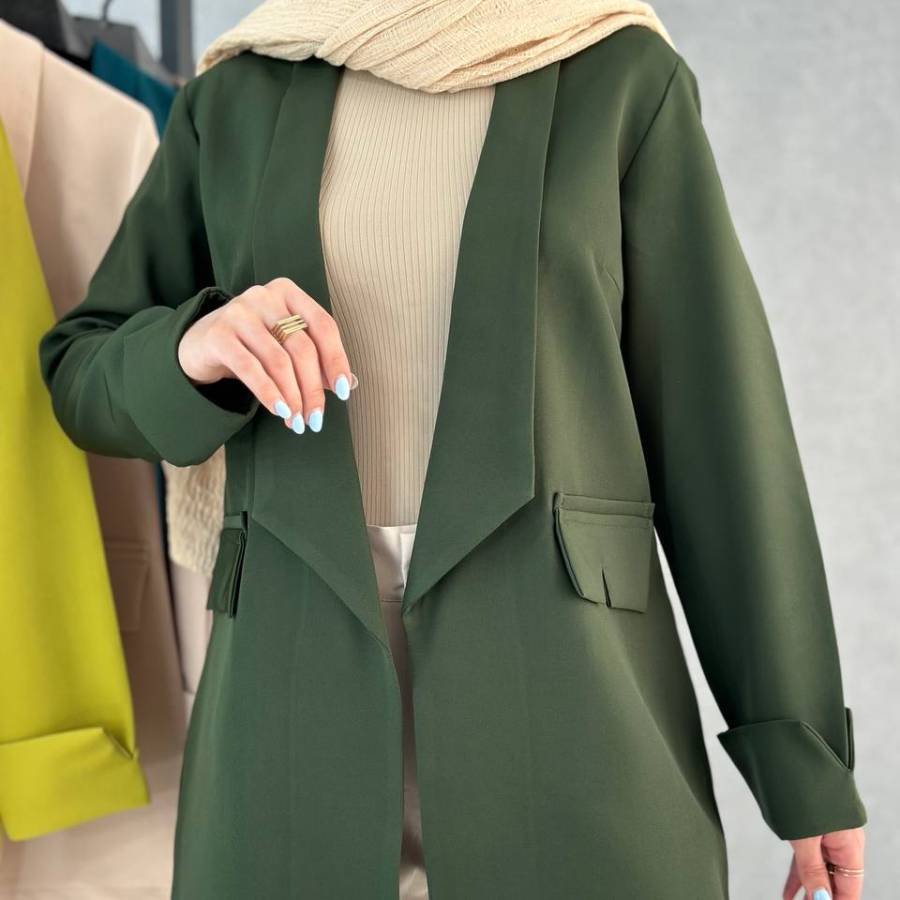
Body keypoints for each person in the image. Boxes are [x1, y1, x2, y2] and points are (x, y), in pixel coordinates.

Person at [37, 1, 867, 898]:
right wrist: (190, 350)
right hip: (285, 695)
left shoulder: (617, 73)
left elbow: (719, 434)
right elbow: (83, 372)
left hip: (570, 694)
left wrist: (803, 758)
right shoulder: (238, 90)